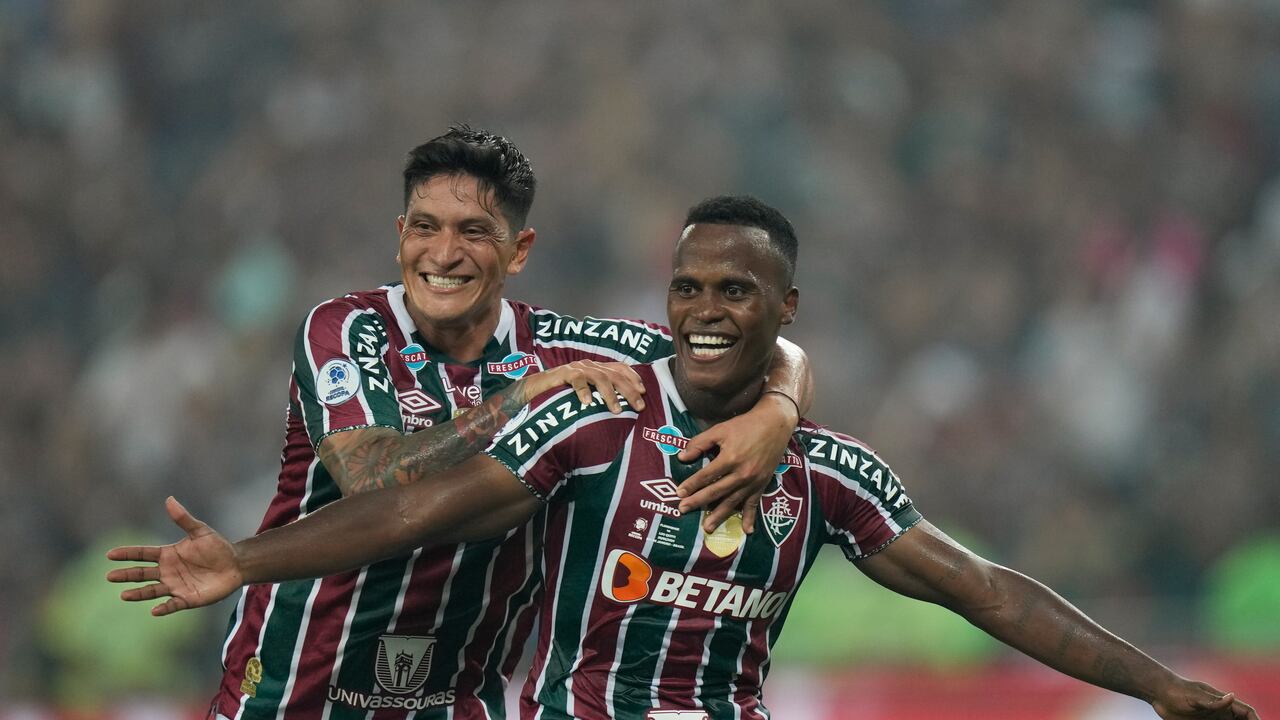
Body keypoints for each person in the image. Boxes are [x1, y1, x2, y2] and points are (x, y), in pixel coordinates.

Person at [109, 196, 1257, 720]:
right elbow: (416, 508)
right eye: (687, 289)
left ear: (782, 307)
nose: (706, 310)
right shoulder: (595, 419)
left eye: (734, 293)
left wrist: (1155, 686)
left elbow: (985, 590)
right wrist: (249, 564)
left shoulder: (823, 471)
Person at [189, 128, 814, 719]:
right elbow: (374, 477)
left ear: (519, 250)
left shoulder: (572, 346)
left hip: (455, 697)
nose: (444, 254)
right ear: (400, 235)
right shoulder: (348, 328)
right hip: (292, 687)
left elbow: (736, 342)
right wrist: (517, 399)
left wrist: (778, 409)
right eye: (426, 228)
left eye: (474, 232)